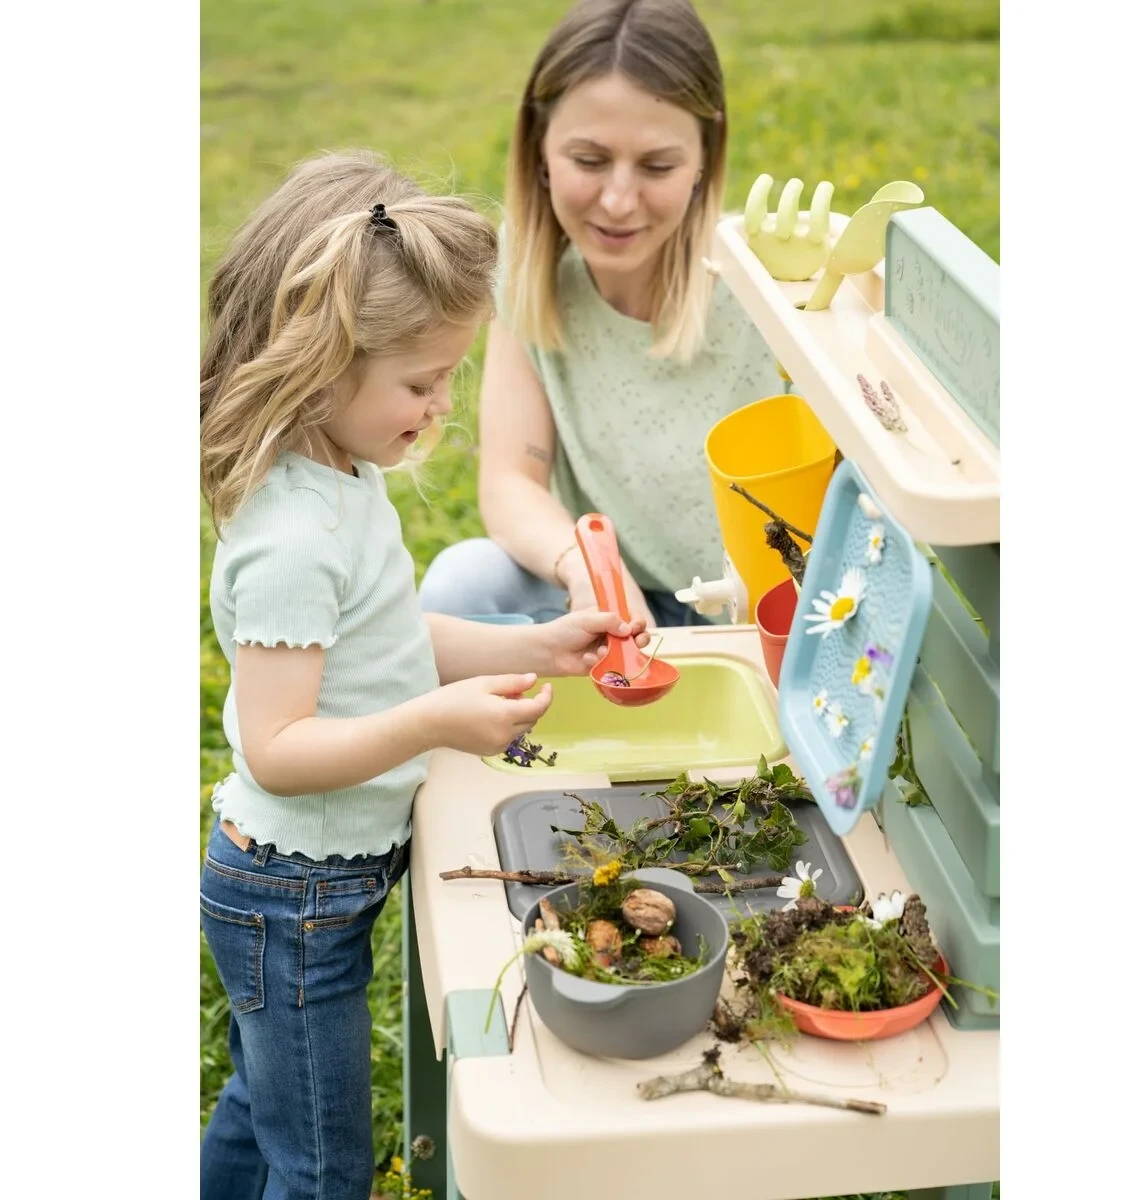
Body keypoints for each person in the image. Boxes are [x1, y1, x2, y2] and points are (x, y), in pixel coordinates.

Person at [198, 150, 646, 1200]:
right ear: (321, 363)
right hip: (293, 897)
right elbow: (278, 749)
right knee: (323, 1167)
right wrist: (436, 722)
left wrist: (536, 645)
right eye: (420, 382)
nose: (442, 404)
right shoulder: (294, 538)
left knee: (263, 1109)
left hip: (315, 889)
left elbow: (390, 639)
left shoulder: (340, 472)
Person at [417, 0, 782, 628]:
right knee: (464, 585)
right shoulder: (529, 271)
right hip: (615, 603)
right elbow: (511, 481)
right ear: (539, 147)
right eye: (588, 161)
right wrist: (593, 573)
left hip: (766, 612)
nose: (618, 200)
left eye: (657, 166)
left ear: (706, 154)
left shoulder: (767, 281)